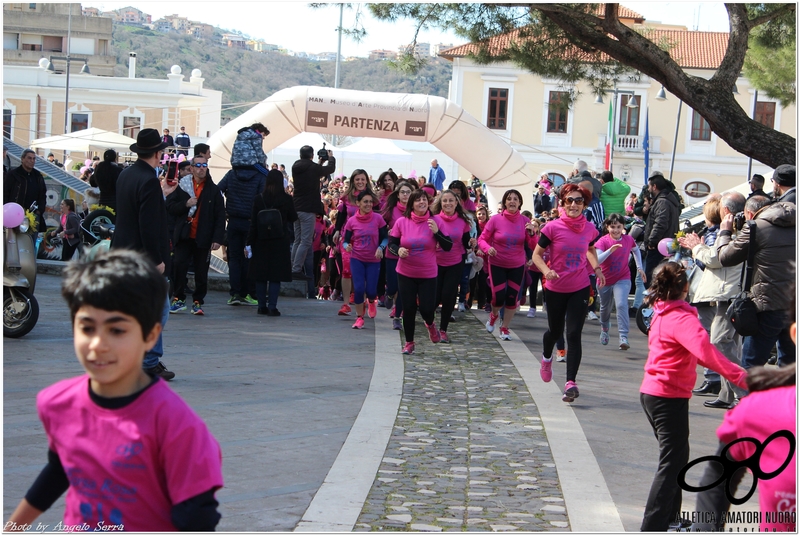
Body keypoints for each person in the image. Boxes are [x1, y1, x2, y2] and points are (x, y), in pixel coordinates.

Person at [5, 250, 223, 531]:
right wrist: (13, 526)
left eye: (117, 330)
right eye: (87, 327)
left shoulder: (177, 427)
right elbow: (61, 469)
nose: (98, 345)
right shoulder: (59, 403)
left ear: (150, 335)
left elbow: (198, 516)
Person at [638, 261, 748, 532]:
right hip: (667, 396)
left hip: (655, 393)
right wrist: (743, 378)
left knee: (675, 459)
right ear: (686, 287)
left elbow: (687, 352)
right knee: (672, 462)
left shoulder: (662, 312)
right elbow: (706, 353)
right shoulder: (681, 317)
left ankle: (671, 519)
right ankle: (653, 525)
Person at [111, 128, 174, 381]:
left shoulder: (127, 175)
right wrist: (156, 259)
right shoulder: (148, 180)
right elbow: (147, 224)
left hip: (121, 250)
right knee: (159, 309)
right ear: (158, 154)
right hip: (141, 256)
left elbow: (131, 212)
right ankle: (148, 361)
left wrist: (163, 196)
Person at [533, 184, 604, 402]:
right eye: (570, 200)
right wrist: (546, 271)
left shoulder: (590, 228)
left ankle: (570, 383)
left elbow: (591, 249)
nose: (574, 204)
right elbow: (536, 255)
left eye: (579, 200)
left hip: (580, 286)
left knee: (573, 334)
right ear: (563, 203)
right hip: (555, 287)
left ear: (585, 204)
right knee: (555, 332)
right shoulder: (552, 228)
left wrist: (598, 269)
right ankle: (546, 358)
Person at [678, 193, 746, 409]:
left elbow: (717, 259)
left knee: (719, 342)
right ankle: (727, 395)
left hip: (729, 294)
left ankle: (745, 393)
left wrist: (696, 247)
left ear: (725, 210)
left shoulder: (734, 229)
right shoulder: (732, 227)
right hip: (727, 293)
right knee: (729, 344)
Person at [717, 195, 796, 369]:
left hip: (768, 305)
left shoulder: (756, 227)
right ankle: (787, 397)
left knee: (752, 363)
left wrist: (725, 233)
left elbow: (725, 258)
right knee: (790, 365)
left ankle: (750, 397)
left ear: (750, 214)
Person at [388, 189, 453, 354]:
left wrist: (437, 232)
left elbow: (448, 246)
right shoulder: (402, 222)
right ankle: (409, 343)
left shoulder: (435, 221)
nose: (422, 202)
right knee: (408, 308)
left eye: (424, 199)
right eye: (418, 200)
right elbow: (392, 244)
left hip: (427, 274)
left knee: (426, 309)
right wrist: (399, 250)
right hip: (405, 272)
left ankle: (430, 325)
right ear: (412, 204)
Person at [166, 156, 225, 316]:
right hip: (184, 235)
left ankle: (198, 301)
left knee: (201, 270)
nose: (201, 168)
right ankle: (178, 298)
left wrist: (217, 238)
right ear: (191, 168)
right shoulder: (182, 187)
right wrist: (185, 205)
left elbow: (220, 215)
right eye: (198, 165)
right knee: (179, 266)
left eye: (204, 165)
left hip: (203, 236)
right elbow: (169, 206)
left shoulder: (213, 190)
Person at [478, 189, 533, 341]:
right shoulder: (495, 220)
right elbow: (482, 239)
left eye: (516, 199)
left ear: (520, 203)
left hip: (517, 265)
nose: (512, 201)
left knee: (511, 298)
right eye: (509, 199)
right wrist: (488, 249)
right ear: (504, 203)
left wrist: (533, 235)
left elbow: (533, 244)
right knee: (498, 298)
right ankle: (494, 315)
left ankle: (505, 327)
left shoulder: (525, 222)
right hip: (497, 263)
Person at [247, 169, 298, 316]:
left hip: (261, 240)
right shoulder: (287, 199)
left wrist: (249, 242)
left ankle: (261, 306)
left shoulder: (259, 199)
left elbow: (253, 223)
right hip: (280, 240)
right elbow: (293, 218)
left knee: (261, 274)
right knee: (276, 275)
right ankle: (272, 307)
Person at [218, 156, 266, 307]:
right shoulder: (260, 176)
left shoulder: (231, 174)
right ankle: (247, 293)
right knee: (248, 258)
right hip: (250, 222)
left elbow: (218, 189)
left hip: (233, 220)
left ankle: (235, 293)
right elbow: (262, 198)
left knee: (234, 258)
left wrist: (226, 208)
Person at [595, 213, 644, 350]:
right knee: (605, 308)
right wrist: (610, 250)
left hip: (622, 277)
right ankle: (605, 327)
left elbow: (636, 250)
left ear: (623, 227)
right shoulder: (603, 242)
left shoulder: (628, 239)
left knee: (622, 304)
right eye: (612, 227)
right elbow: (597, 260)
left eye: (618, 227)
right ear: (607, 227)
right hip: (604, 279)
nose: (616, 230)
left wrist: (640, 267)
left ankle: (623, 336)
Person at [342, 190, 388, 329]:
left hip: (374, 260)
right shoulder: (352, 221)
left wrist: (381, 247)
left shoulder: (378, 219)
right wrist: (347, 246)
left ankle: (372, 301)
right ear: (358, 203)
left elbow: (385, 238)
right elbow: (345, 240)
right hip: (357, 259)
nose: (368, 204)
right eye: (365, 202)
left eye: (370, 202)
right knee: (359, 288)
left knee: (372, 291)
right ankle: (359, 317)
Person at [432, 189, 472, 343]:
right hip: (435, 262)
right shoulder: (433, 219)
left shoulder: (463, 222)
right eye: (445, 201)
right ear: (440, 203)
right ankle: (430, 323)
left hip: (455, 261)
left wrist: (471, 243)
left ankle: (443, 330)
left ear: (456, 203)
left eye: (451, 201)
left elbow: (466, 242)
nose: (448, 203)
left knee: (449, 296)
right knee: (434, 297)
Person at [333, 169, 376, 315]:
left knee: (362, 272)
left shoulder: (372, 198)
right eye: (357, 179)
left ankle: (362, 301)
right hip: (348, 238)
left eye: (362, 179)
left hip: (366, 239)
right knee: (346, 270)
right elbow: (341, 214)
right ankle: (345, 304)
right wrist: (337, 230)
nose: (360, 182)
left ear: (366, 181)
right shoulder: (346, 197)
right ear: (353, 181)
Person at [291, 145, 336, 280]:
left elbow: (311, 170)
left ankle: (292, 266)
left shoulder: (295, 166)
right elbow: (330, 169)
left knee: (297, 240)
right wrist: (331, 157)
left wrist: (319, 163)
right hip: (308, 209)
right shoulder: (313, 168)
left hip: (296, 207)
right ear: (311, 155)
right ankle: (296, 269)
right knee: (305, 241)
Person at [382, 180, 414, 330]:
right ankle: (389, 294)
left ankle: (397, 317)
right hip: (393, 252)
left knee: (403, 288)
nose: (406, 195)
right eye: (403, 192)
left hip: (409, 254)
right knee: (393, 285)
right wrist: (387, 233)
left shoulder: (416, 211)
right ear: (398, 194)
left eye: (408, 192)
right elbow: (381, 225)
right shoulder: (391, 209)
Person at [643, 174, 680, 286]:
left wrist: (651, 242)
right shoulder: (668, 201)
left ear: (654, 187)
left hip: (659, 247)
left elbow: (660, 223)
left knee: (651, 279)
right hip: (666, 245)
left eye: (649, 187)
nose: (648, 189)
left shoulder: (662, 202)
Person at [4, 148, 47, 233]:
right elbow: (5, 193)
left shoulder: (38, 176)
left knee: (31, 243)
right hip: (14, 215)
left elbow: (42, 195)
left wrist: (39, 211)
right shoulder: (13, 175)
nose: (32, 161)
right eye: (29, 158)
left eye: (34, 159)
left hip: (33, 216)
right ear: (22, 159)